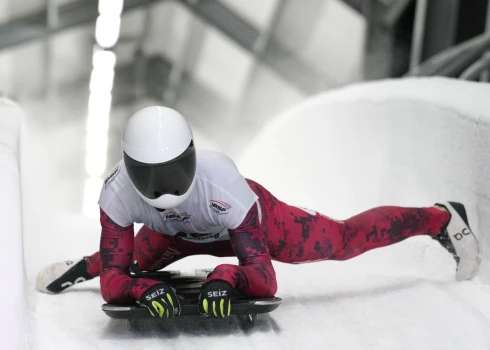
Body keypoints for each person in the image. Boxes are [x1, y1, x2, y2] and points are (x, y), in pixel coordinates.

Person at [36, 106, 480, 319]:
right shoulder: (115, 195)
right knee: (128, 266)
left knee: (341, 241)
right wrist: (136, 290)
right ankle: (84, 265)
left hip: (249, 221)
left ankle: (440, 217)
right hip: (176, 235)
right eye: (150, 178)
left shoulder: (223, 184)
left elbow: (264, 278)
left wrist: (225, 276)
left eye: (172, 172)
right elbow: (116, 283)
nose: (163, 188)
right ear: (129, 168)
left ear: (191, 156)